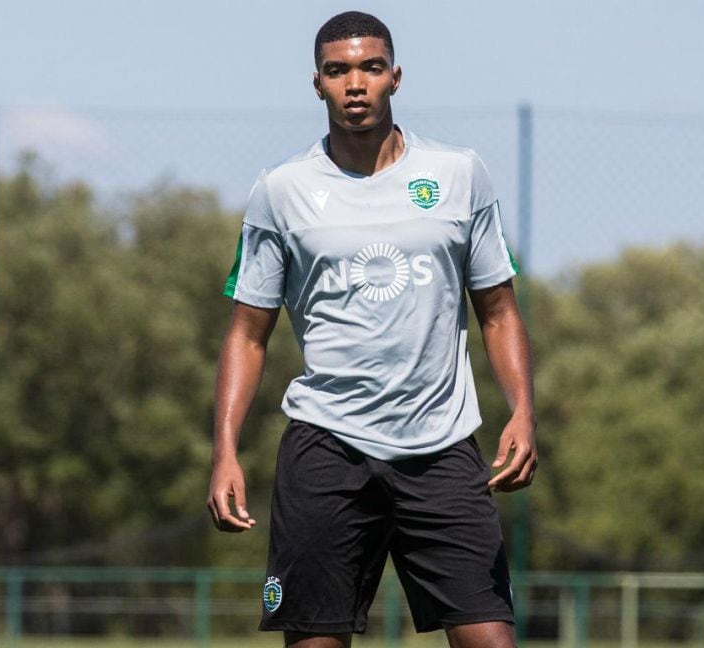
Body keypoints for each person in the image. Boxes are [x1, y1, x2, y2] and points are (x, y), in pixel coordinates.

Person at [206, 11, 537, 648]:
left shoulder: (459, 175)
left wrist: (522, 410)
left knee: (492, 640)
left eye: (369, 67)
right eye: (338, 71)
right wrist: (225, 450)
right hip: (326, 447)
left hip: (441, 448)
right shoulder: (281, 190)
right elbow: (247, 334)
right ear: (317, 84)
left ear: (395, 78)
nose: (354, 83)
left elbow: (499, 310)